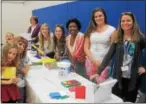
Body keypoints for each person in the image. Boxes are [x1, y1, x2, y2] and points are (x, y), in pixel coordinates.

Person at [91, 12, 146, 102]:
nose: (125, 23)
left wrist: (145, 67)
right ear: (120, 23)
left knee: (129, 100)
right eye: (123, 21)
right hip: (118, 76)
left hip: (133, 78)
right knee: (116, 100)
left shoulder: (140, 38)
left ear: (133, 22)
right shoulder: (118, 37)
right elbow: (109, 55)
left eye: (128, 20)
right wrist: (98, 71)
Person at [84, 8, 115, 80]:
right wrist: (94, 61)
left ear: (104, 16)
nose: (98, 18)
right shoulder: (90, 30)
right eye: (96, 17)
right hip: (90, 62)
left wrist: (102, 63)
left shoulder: (112, 30)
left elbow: (112, 49)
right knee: (91, 83)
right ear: (93, 18)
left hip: (104, 64)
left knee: (103, 86)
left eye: (100, 15)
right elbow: (86, 48)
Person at [14, 36, 32, 103]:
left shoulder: (26, 58)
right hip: (7, 78)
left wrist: (17, 63)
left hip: (19, 78)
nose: (22, 47)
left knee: (20, 83)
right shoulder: (8, 54)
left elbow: (25, 72)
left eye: (24, 46)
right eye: (20, 44)